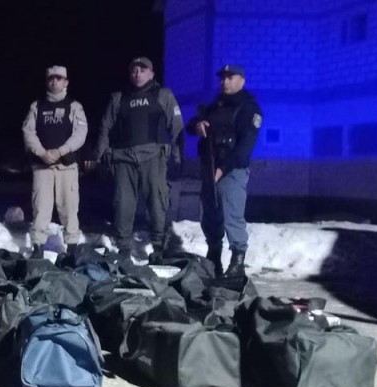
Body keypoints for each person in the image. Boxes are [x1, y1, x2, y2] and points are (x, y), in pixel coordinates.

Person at [96, 56, 184, 262]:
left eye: (143, 70)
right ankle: (124, 249)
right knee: (123, 204)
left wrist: (178, 159)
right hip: (123, 159)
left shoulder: (163, 95)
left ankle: (158, 247)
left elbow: (177, 128)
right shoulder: (118, 98)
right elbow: (104, 128)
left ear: (151, 74)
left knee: (157, 204)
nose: (138, 74)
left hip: (154, 158)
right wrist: (101, 158)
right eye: (134, 70)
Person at [186, 64, 262, 277]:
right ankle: (214, 257)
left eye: (230, 77)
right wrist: (198, 124)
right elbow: (190, 126)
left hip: (232, 170)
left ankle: (237, 262)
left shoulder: (248, 107)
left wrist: (222, 169)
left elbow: (245, 147)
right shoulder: (217, 105)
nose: (224, 81)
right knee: (211, 215)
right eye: (222, 78)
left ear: (242, 81)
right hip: (210, 166)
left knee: (232, 215)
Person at [21, 65, 88, 258]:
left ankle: (72, 249)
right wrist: (42, 152)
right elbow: (28, 132)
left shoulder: (74, 106)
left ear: (66, 82)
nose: (54, 81)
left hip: (67, 167)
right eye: (51, 78)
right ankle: (38, 248)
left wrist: (60, 151)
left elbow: (81, 133)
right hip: (42, 167)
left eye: (59, 78)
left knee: (69, 208)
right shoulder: (37, 106)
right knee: (40, 208)